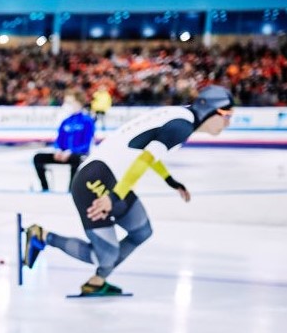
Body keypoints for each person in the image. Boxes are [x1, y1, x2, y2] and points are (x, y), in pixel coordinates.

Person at [23, 85, 234, 295]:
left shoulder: (181, 117)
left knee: (141, 231)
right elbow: (145, 159)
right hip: (94, 179)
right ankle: (43, 236)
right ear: (210, 110)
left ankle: (96, 282)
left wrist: (170, 180)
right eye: (226, 114)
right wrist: (113, 198)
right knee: (103, 256)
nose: (228, 122)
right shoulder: (182, 126)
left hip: (109, 178)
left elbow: (149, 152)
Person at [32, 95, 96, 192]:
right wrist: (58, 150)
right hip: (62, 154)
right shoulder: (66, 121)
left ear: (79, 103)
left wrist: (71, 151)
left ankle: (71, 189)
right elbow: (59, 140)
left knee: (76, 160)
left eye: (70, 102)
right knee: (38, 157)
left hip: (77, 155)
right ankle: (45, 187)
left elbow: (86, 144)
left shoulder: (87, 121)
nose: (67, 105)